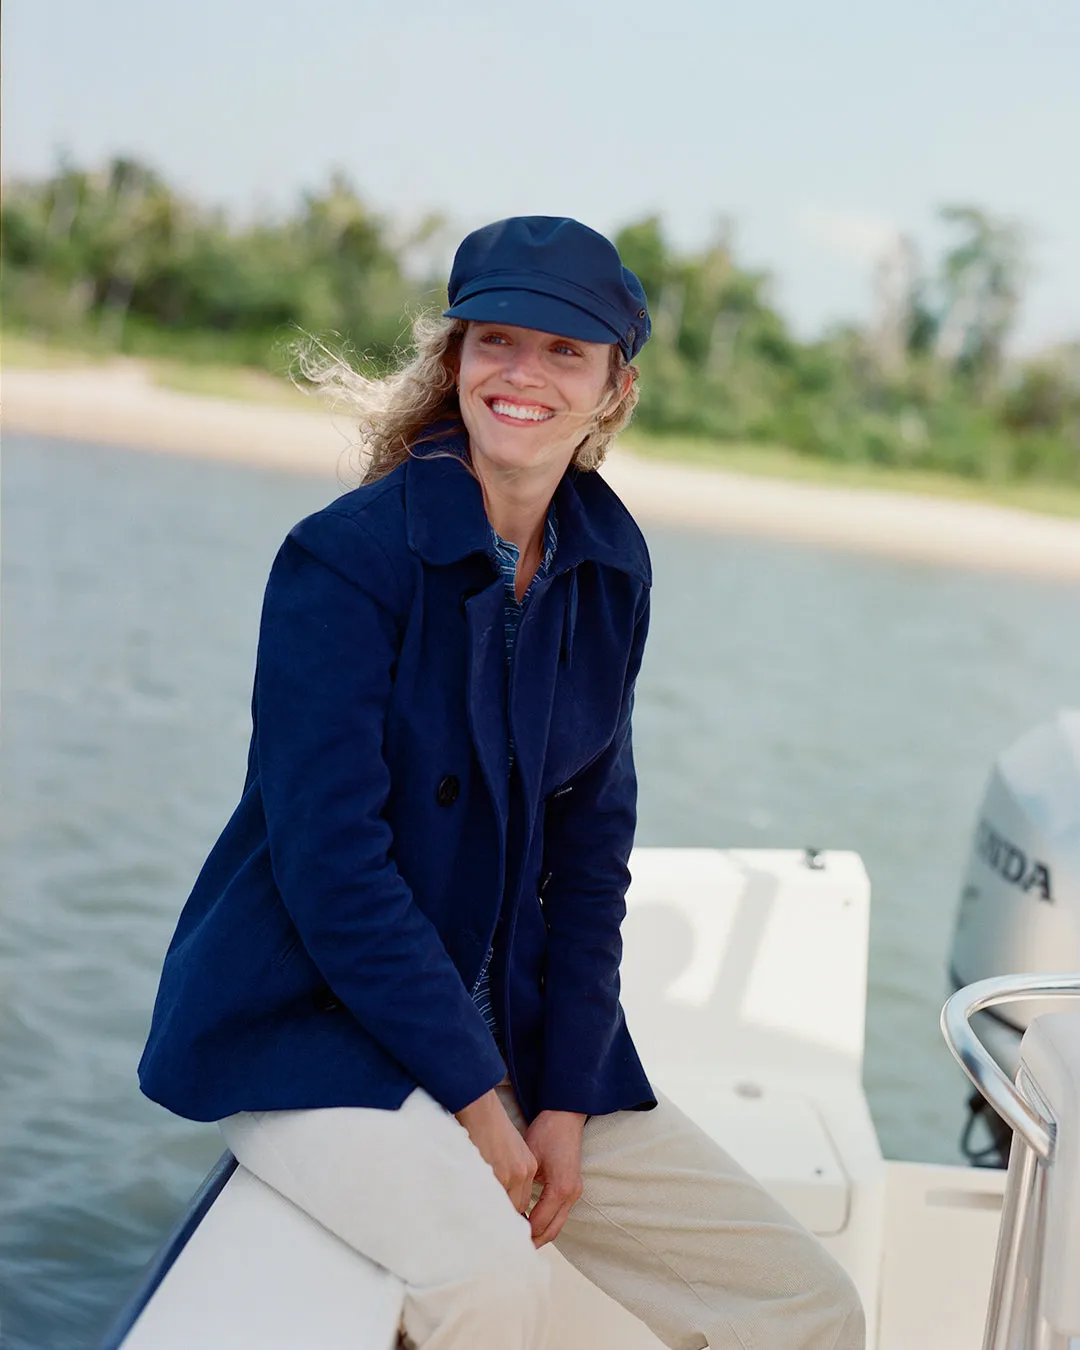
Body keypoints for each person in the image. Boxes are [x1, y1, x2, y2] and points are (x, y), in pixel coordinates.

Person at [139, 216, 864, 1350]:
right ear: (457, 361)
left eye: (564, 351)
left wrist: (564, 1099)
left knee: (807, 1307)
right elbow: (334, 875)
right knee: (491, 1289)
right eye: (498, 342)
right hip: (316, 1033)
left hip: (524, 1040)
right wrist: (485, 1105)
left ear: (613, 391)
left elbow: (589, 861)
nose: (524, 374)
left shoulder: (609, 567)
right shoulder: (343, 561)